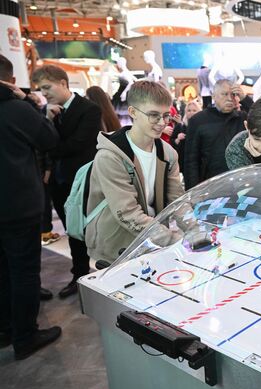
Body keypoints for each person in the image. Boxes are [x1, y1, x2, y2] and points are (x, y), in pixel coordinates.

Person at [0, 54, 62, 360]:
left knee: (2, 270)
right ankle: (25, 336)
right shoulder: (15, 109)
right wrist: (31, 104)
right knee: (24, 272)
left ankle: (5, 330)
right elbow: (48, 138)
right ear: (11, 81)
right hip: (17, 205)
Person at [85, 80, 184, 264]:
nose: (162, 123)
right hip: (117, 249)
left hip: (153, 243)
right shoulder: (110, 156)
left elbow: (176, 199)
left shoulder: (167, 152)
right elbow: (127, 212)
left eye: (166, 116)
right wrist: (172, 239)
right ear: (133, 112)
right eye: (154, 115)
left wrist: (195, 229)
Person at [32, 65, 102, 298]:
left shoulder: (89, 109)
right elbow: (42, 145)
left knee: (91, 231)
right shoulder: (48, 112)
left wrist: (51, 140)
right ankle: (79, 275)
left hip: (84, 182)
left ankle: (101, 275)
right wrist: (47, 121)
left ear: (63, 83)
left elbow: (77, 144)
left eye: (47, 87)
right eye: (41, 89)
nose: (45, 93)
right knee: (72, 232)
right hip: (59, 183)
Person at [184, 79, 253, 189]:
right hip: (209, 186)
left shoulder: (241, 118)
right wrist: (192, 193)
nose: (230, 98)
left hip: (240, 185)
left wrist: (245, 99)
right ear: (214, 96)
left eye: (233, 94)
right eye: (225, 94)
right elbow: (191, 161)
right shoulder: (198, 121)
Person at [170, 99, 202, 174]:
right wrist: (177, 139)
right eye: (189, 110)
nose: (191, 113)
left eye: (194, 110)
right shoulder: (180, 126)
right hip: (184, 163)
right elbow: (172, 142)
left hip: (200, 162)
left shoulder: (203, 127)